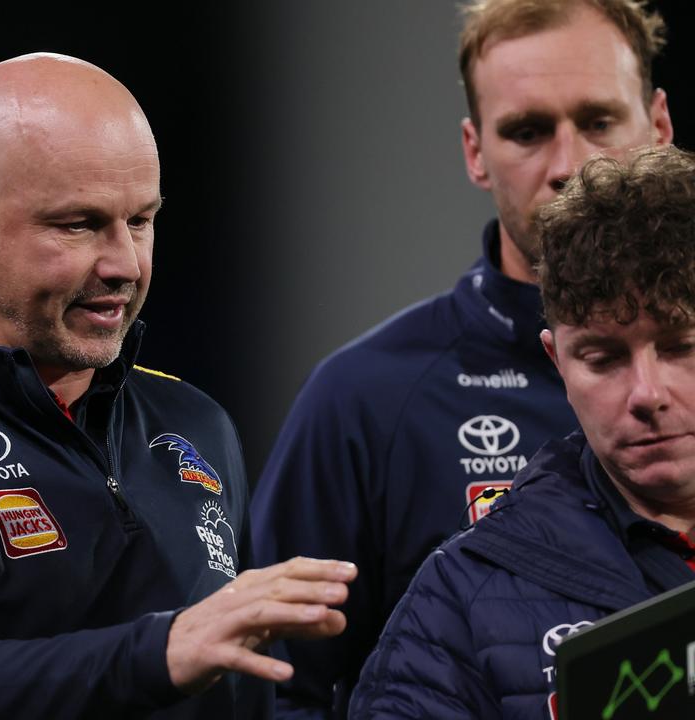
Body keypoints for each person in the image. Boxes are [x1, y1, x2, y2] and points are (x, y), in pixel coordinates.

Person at [0, 52, 357, 719]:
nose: (126, 264)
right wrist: (160, 652)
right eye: (78, 224)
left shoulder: (194, 422)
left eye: (140, 221)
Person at [248, 1, 674, 715]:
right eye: (529, 132)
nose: (569, 166)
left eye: (599, 122)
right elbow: (271, 689)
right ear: (476, 151)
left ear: (658, 127)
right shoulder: (363, 402)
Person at [350, 144, 695, 719]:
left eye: (681, 347)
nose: (647, 395)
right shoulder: (463, 595)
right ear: (557, 363)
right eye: (603, 358)